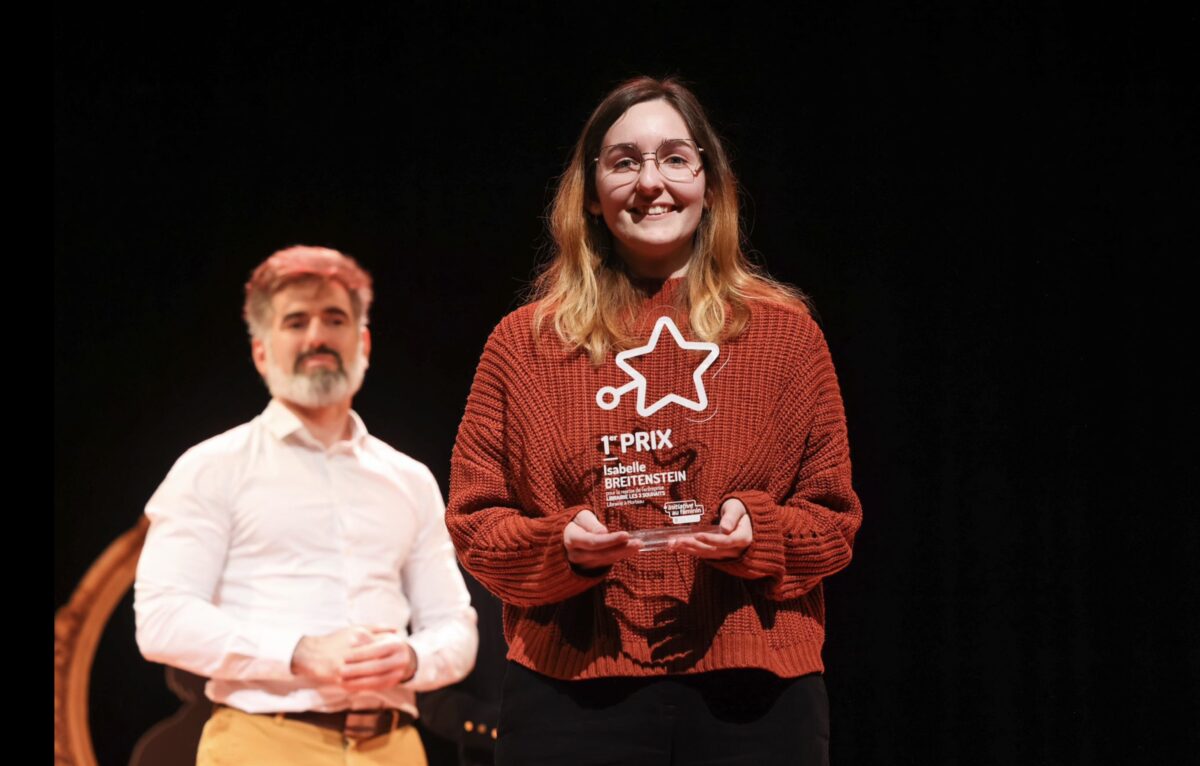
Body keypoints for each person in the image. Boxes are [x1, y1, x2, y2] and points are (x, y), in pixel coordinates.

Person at [446, 77, 862, 765]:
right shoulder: (523, 345)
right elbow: (474, 521)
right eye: (624, 161)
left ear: (711, 184)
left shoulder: (788, 339)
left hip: (755, 698)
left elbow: (833, 519)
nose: (651, 182)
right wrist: (562, 548)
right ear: (589, 192)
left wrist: (759, 532)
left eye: (675, 158)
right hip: (568, 697)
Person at [135, 245, 478, 765]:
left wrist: (410, 658)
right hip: (262, 742)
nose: (317, 336)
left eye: (334, 319)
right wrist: (299, 652)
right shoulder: (212, 467)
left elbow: (455, 626)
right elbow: (162, 620)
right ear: (261, 352)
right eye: (295, 321)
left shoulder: (409, 479)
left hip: (394, 747)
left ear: (362, 342)